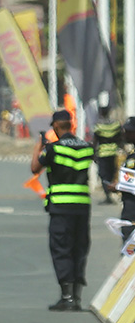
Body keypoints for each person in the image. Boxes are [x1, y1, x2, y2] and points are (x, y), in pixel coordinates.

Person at [31, 109, 94, 311]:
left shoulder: (54, 149)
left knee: (61, 249)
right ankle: (76, 297)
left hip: (60, 209)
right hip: (82, 208)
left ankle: (66, 296)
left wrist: (39, 147)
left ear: (57, 126)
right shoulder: (86, 147)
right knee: (79, 249)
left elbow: (34, 168)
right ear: (71, 124)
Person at [93, 95, 121, 205]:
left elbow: (95, 141)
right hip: (113, 152)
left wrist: (94, 154)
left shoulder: (99, 126)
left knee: (103, 175)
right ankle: (110, 194)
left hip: (103, 153)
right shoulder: (115, 125)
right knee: (111, 173)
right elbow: (120, 138)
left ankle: (108, 195)